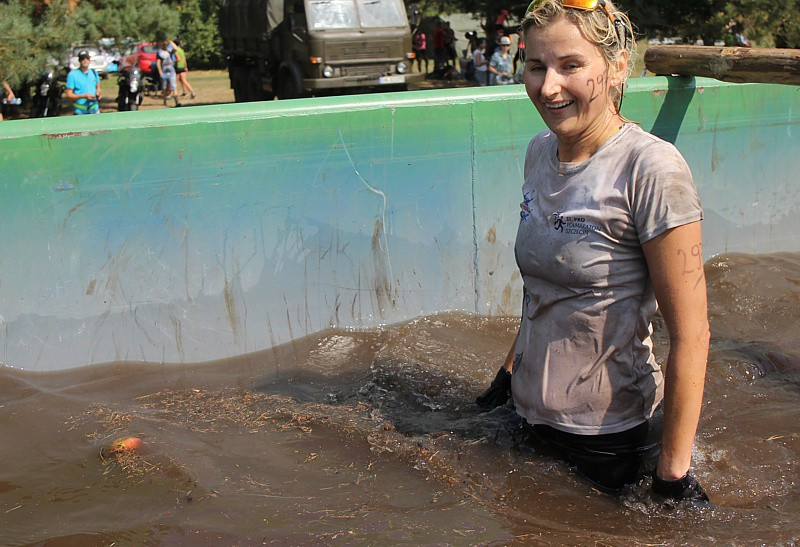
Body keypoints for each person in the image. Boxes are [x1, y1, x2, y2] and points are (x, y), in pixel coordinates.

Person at [476, 0, 710, 502]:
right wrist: (507, 376)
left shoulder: (651, 169)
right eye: (536, 66)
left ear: (618, 66)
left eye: (570, 65)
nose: (549, 86)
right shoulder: (540, 151)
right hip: (524, 419)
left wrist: (672, 476)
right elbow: (545, 286)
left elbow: (692, 335)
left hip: (611, 442)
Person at [65, 50, 101, 115]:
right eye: (82, 58)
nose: (85, 60)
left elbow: (98, 87)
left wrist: (98, 94)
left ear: (90, 60)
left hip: (95, 110)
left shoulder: (94, 72)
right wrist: (83, 96)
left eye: (87, 58)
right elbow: (68, 95)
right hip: (80, 112)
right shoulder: (72, 75)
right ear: (79, 60)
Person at [157, 40, 181, 107]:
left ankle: (176, 101)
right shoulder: (160, 52)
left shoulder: (170, 51)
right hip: (164, 70)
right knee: (165, 87)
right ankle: (165, 101)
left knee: (173, 86)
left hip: (171, 70)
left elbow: (176, 49)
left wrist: (172, 43)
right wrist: (160, 71)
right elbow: (158, 62)